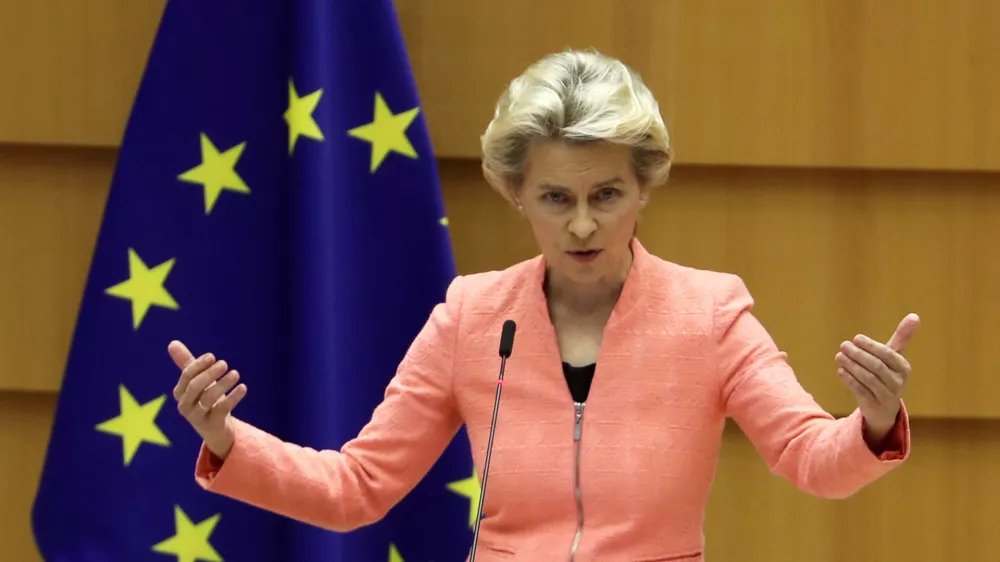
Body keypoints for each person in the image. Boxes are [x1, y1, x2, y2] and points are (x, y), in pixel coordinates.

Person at [168, 49, 917, 561]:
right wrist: (229, 439)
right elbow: (356, 488)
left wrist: (872, 422)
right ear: (516, 193)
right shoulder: (469, 316)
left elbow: (814, 461)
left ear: (643, 189)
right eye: (557, 198)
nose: (583, 224)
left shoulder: (710, 315)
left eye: (607, 195)